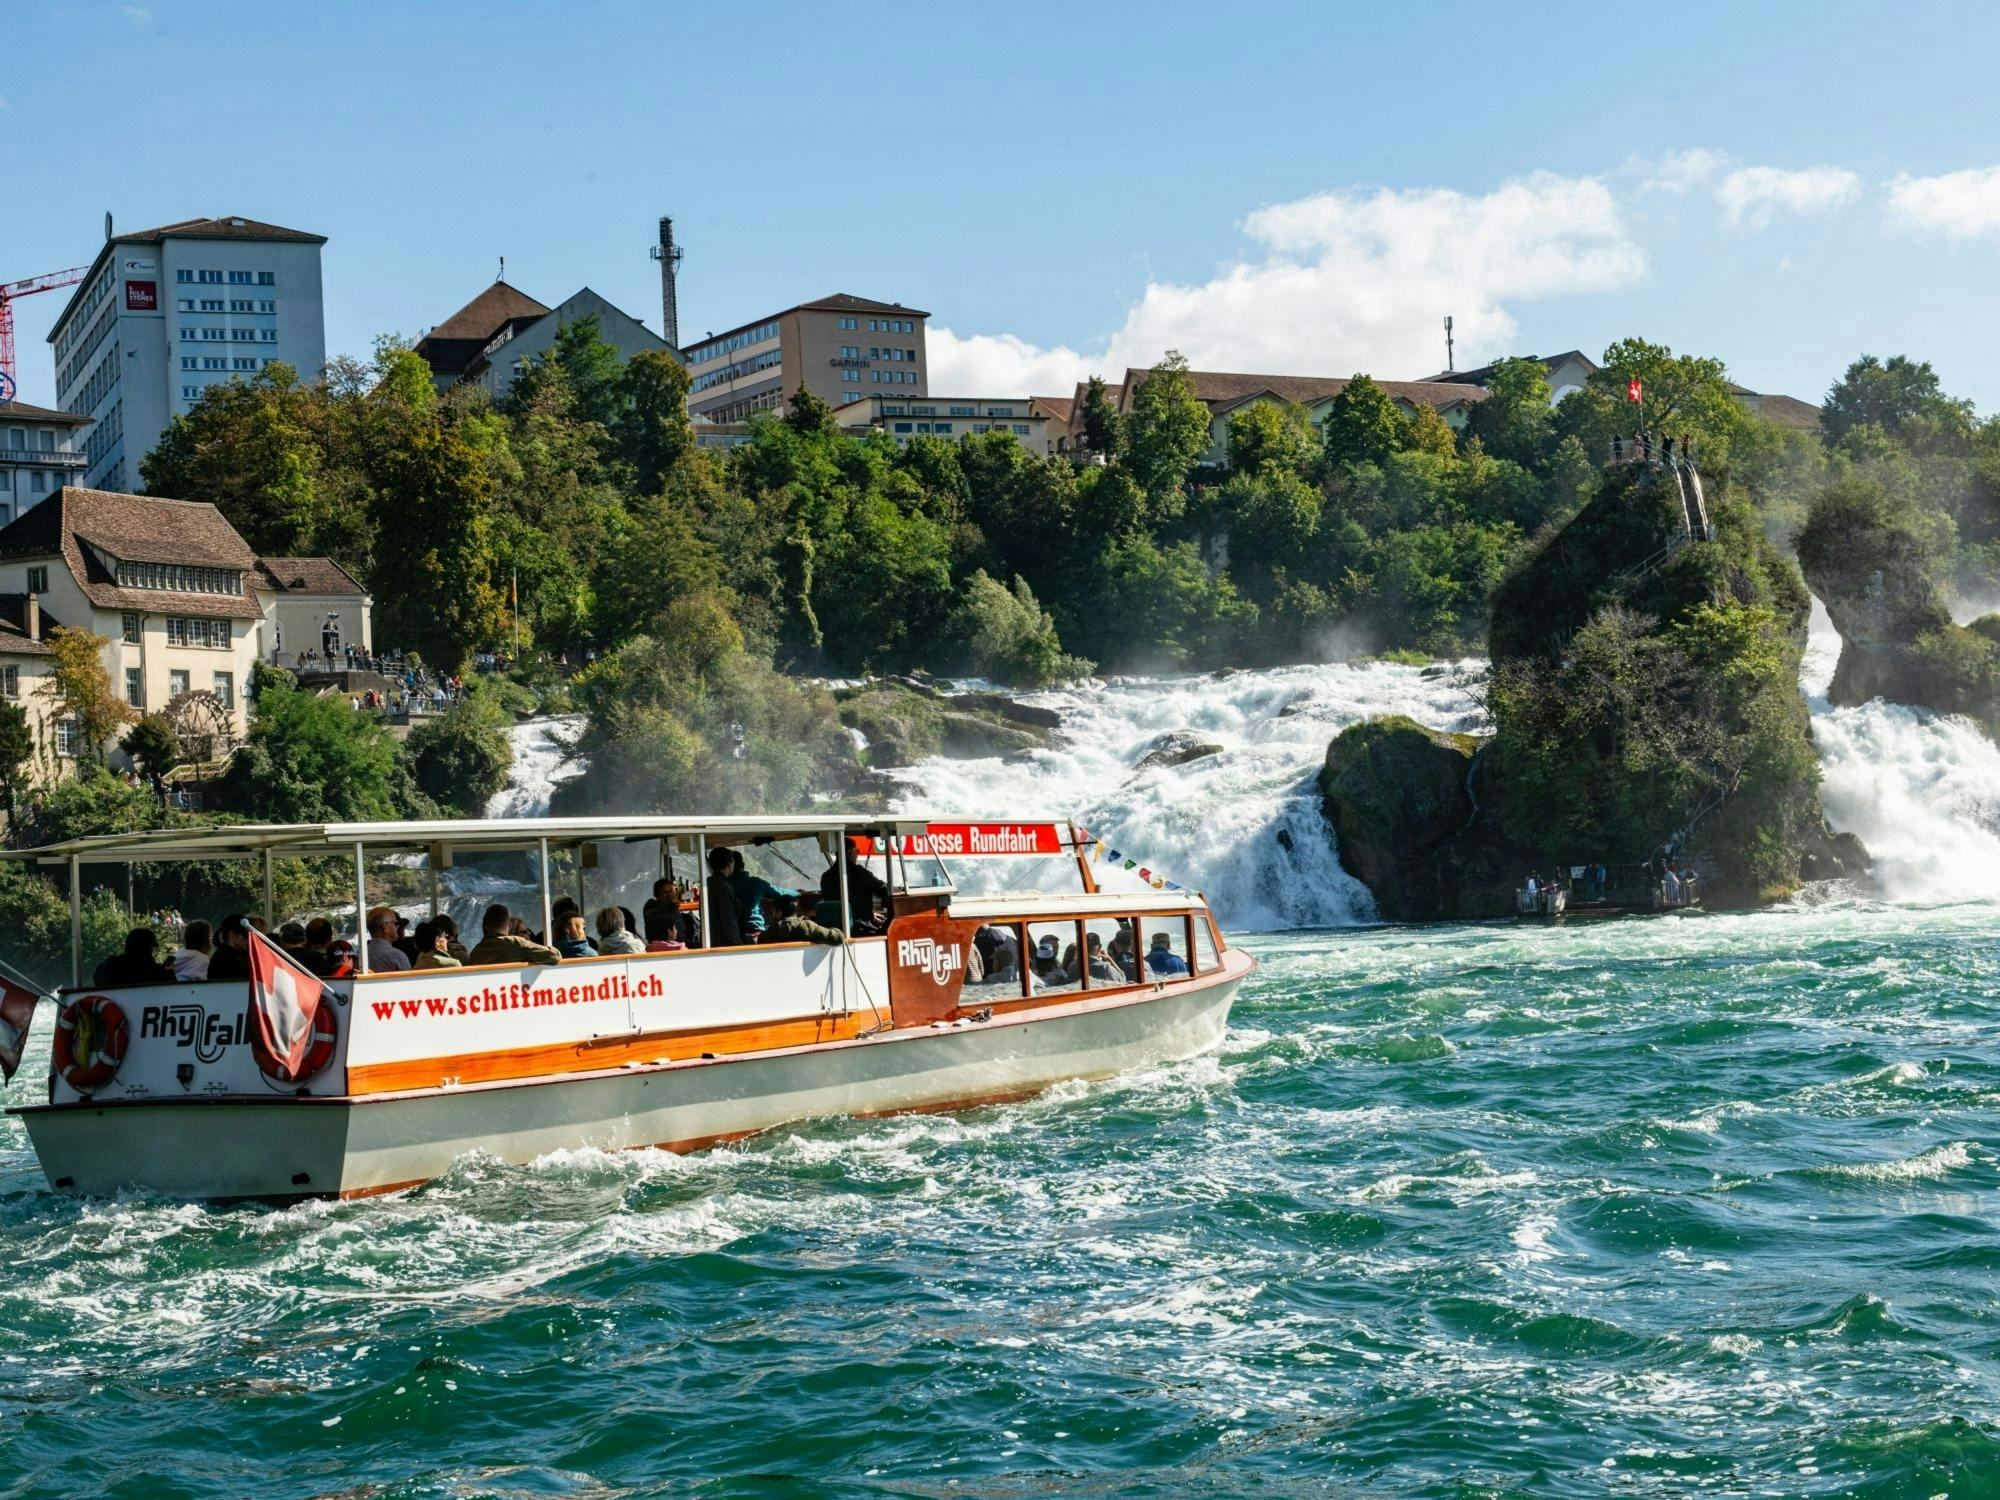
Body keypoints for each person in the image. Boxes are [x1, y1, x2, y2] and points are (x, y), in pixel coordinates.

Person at [818, 840, 889, 935]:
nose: (857, 854)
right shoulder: (859, 872)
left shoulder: (826, 876)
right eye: (857, 851)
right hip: (860, 929)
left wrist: (870, 914)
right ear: (850, 852)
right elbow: (884, 890)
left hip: (835, 930)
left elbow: (839, 906)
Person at [466, 903, 561, 967]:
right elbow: (555, 957)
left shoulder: (476, 952)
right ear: (510, 925)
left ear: (486, 926)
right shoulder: (515, 944)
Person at [725, 850, 791, 941]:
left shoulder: (722, 885)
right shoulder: (755, 883)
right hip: (754, 931)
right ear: (743, 865)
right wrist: (798, 893)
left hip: (731, 933)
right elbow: (779, 892)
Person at [94, 928, 177, 987]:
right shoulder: (160, 973)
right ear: (148, 948)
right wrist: (165, 971)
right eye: (153, 948)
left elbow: (97, 980)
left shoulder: (111, 966)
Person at [758, 893, 846, 946]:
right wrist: (836, 930)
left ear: (779, 913)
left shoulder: (765, 936)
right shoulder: (806, 926)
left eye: (773, 912)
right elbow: (837, 938)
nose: (772, 915)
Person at [704, 846, 744, 948]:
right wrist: (736, 943)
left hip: (711, 939)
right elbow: (728, 918)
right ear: (729, 864)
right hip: (723, 942)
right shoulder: (722, 887)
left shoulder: (708, 883)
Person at [365, 906, 411, 972]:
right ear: (385, 928)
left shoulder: (362, 956)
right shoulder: (397, 956)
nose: (398, 926)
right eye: (395, 923)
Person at [205, 916, 252, 980]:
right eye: (246, 936)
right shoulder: (223, 957)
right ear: (232, 935)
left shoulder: (242, 954)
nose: (249, 939)